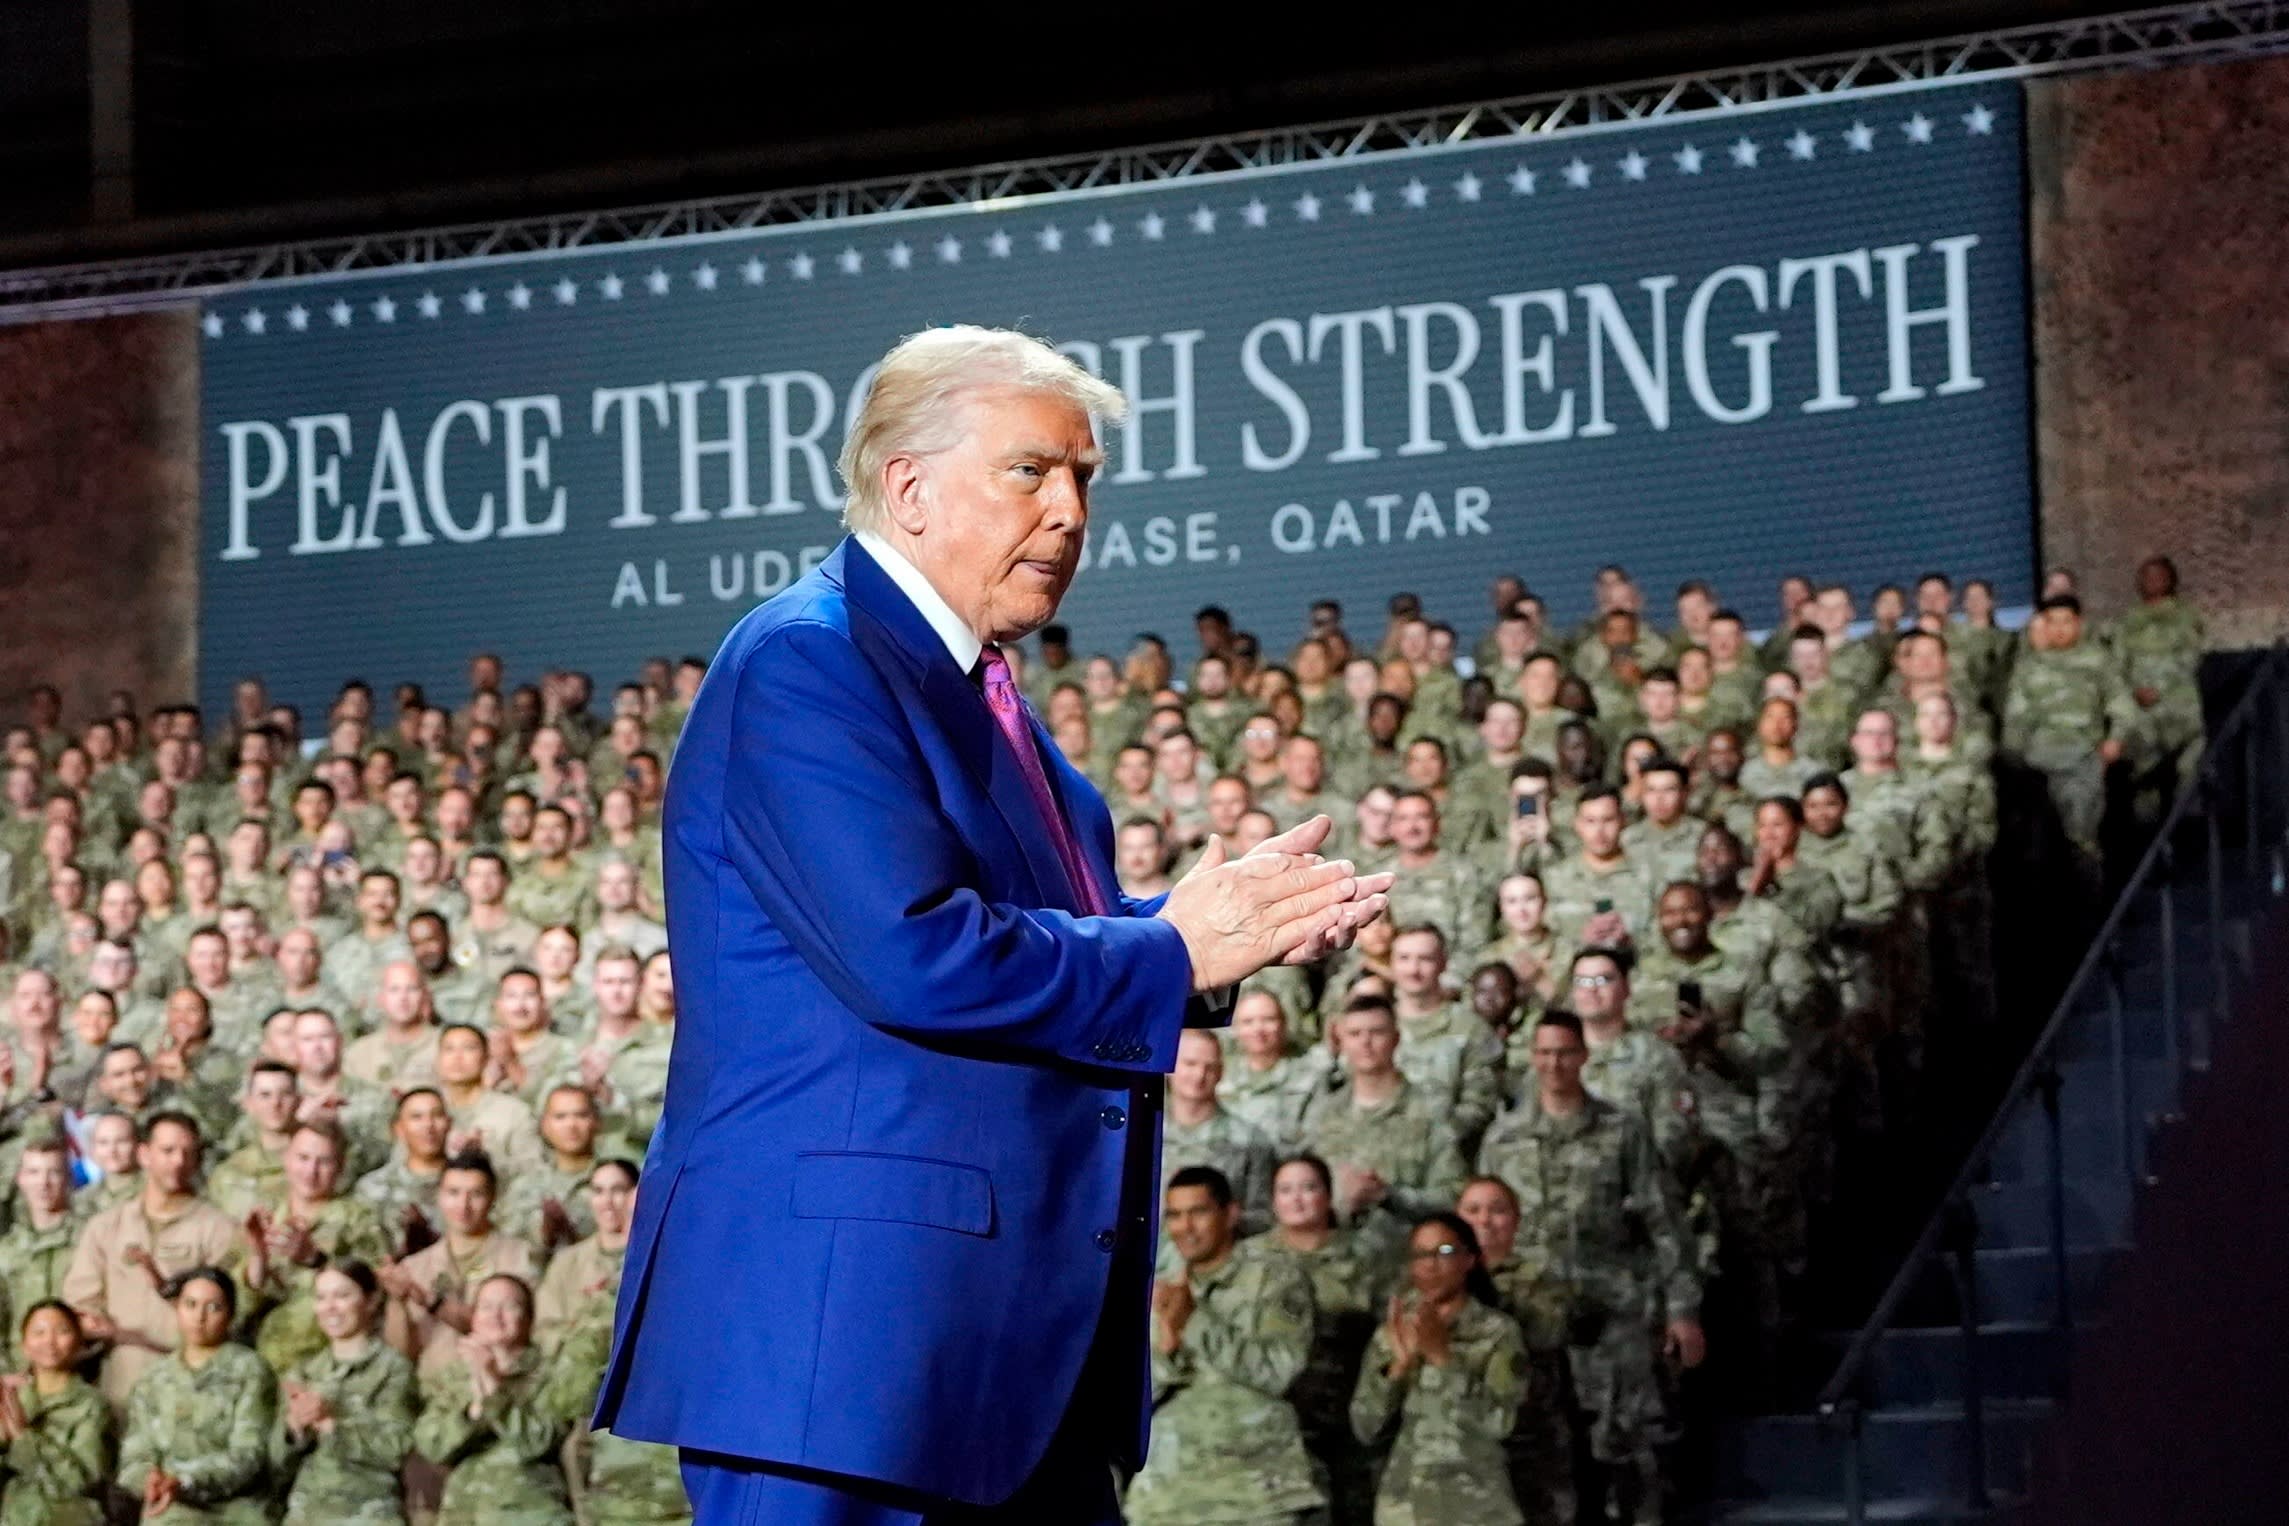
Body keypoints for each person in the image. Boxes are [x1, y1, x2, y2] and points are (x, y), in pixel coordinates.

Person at [596, 325, 1390, 1524]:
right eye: (1030, 469)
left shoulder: (985, 701)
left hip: (990, 1353)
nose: (1070, 510)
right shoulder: (808, 665)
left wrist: (1205, 930)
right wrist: (1172, 950)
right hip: (851, 1352)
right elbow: (918, 950)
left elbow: (1032, 927)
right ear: (907, 487)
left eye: (1084, 476)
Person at [1475, 1012, 1701, 1526]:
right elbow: (1484, 1227)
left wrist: (1683, 1311)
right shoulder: (1503, 1138)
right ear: (1531, 1058)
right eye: (1544, 1053)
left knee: (1628, 1454)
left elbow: (1664, 1223)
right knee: (1545, 1462)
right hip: (1531, 1320)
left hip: (1613, 1316)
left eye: (1565, 1052)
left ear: (1583, 1056)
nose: (1554, 1064)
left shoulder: (1622, 1130)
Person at [1124, 1167, 1323, 1526]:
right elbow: (1128, 1399)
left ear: (1231, 1214)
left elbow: (1280, 1372)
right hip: (1166, 1495)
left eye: (1198, 1212)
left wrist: (1195, 1322)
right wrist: (1168, 1351)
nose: (1186, 1227)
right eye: (1175, 1215)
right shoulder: (1162, 1289)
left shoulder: (1275, 1277)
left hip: (1254, 1491)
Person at [1348, 1213, 1530, 1526]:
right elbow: (1365, 1428)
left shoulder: (1498, 1333)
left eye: (1444, 1252)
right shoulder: (1393, 1331)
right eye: (1420, 1255)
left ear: (1469, 1259)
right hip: (1405, 1509)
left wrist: (1443, 1360)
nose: (1431, 1264)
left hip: (1477, 1508)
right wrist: (1398, 1369)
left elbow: (1500, 1423)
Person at [62, 1111, 241, 1406]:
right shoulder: (107, 1226)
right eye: (168, 1151)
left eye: (188, 1152)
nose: (178, 1161)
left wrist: (142, 1337)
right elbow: (80, 1304)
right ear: (144, 1154)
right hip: (118, 1389)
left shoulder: (219, 1229)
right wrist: (98, 1328)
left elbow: (226, 1317)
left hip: (191, 1394)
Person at [1299, 996, 1469, 1272]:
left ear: (1396, 1038)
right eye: (1355, 1034)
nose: (1365, 1042)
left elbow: (1454, 1195)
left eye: (1376, 1032)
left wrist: (1389, 1195)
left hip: (1406, 1266)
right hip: (1329, 1268)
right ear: (1341, 1041)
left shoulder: (1429, 1111)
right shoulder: (1322, 1114)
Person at [1255, 1155, 1382, 1526]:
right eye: (1286, 1190)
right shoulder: (1252, 1257)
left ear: (1328, 1197)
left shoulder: (1363, 1257)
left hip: (1347, 1405)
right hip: (1275, 1408)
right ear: (1274, 1201)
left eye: (1308, 1188)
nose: (1297, 1199)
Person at [116, 1267, 277, 1523]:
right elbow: (136, 1454)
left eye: (213, 1307)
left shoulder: (250, 1370)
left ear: (230, 1314)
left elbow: (249, 1455)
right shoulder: (154, 1378)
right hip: (171, 1504)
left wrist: (184, 1480)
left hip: (238, 1507)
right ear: (177, 1308)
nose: (199, 1317)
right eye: (190, 1304)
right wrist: (149, 1480)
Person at [413, 1273, 570, 1525]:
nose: (496, 1316)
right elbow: (432, 1446)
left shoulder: (549, 1374)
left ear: (528, 1319)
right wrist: (473, 1411)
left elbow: (538, 1440)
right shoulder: (454, 1376)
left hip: (532, 1513)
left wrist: (493, 1389)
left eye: (509, 1306)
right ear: (473, 1318)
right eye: (486, 1307)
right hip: (464, 1513)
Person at [270, 1258, 418, 1525]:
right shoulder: (304, 1372)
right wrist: (295, 1427)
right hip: (307, 1514)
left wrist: (330, 1424)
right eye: (322, 1297)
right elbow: (276, 1462)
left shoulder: (392, 1369)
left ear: (371, 1301)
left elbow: (396, 1448)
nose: (330, 1308)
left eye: (342, 1295)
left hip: (371, 1514)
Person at [244, 1121, 394, 1373]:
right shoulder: (265, 1215)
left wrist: (316, 1259)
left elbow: (378, 1290)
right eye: (303, 1158)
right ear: (287, 1158)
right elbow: (238, 1303)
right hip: (267, 1358)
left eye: (323, 1161)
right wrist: (258, 1257)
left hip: (331, 1364)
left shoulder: (360, 1218)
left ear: (341, 1167)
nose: (311, 1171)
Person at [382, 1151, 539, 1380]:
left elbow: (525, 1333)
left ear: (493, 1197)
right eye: (453, 1193)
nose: (463, 1205)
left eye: (476, 1194)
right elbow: (401, 1353)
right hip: (436, 1394)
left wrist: (430, 1301)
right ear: (439, 1196)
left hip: (503, 1387)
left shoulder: (521, 1257)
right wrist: (397, 1300)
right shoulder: (414, 1268)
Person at [0, 1301, 110, 1525]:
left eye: (62, 1331)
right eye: (39, 1332)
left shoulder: (92, 1405)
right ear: (24, 1345)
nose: (49, 1341)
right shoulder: (13, 1398)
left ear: (79, 1341)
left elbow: (80, 1481)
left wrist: (23, 1438)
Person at [1161, 1032, 1278, 1238]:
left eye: (1210, 1067)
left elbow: (1264, 1218)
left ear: (1221, 1073)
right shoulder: (1141, 1134)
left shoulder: (1250, 1141)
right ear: (1168, 1067)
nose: (1199, 1075)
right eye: (1190, 1064)